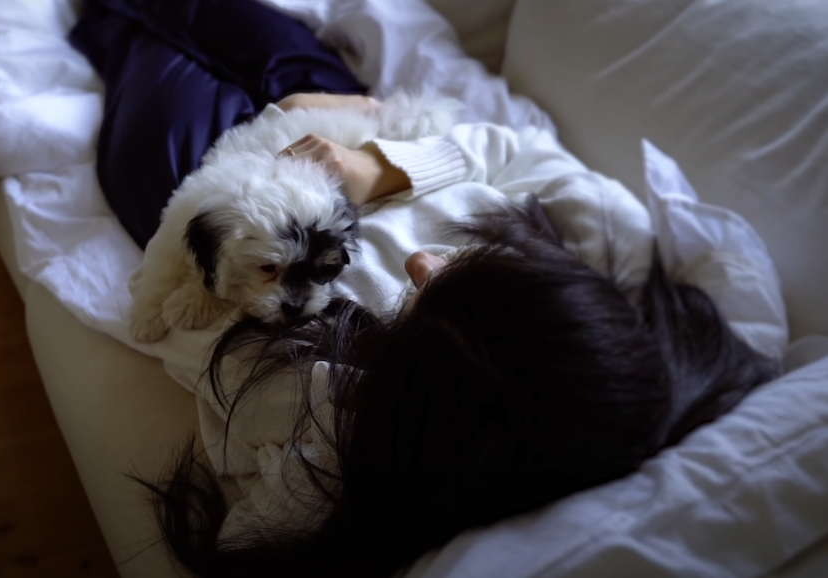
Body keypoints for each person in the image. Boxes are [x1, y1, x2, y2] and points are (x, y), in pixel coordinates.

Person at [71, 2, 781, 577]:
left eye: (426, 302)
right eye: (478, 264)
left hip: (202, 191)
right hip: (351, 134)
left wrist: (235, 226)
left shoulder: (327, 407)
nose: (421, 265)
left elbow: (197, 349)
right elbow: (520, 151)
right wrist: (376, 167)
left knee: (131, 45)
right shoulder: (607, 277)